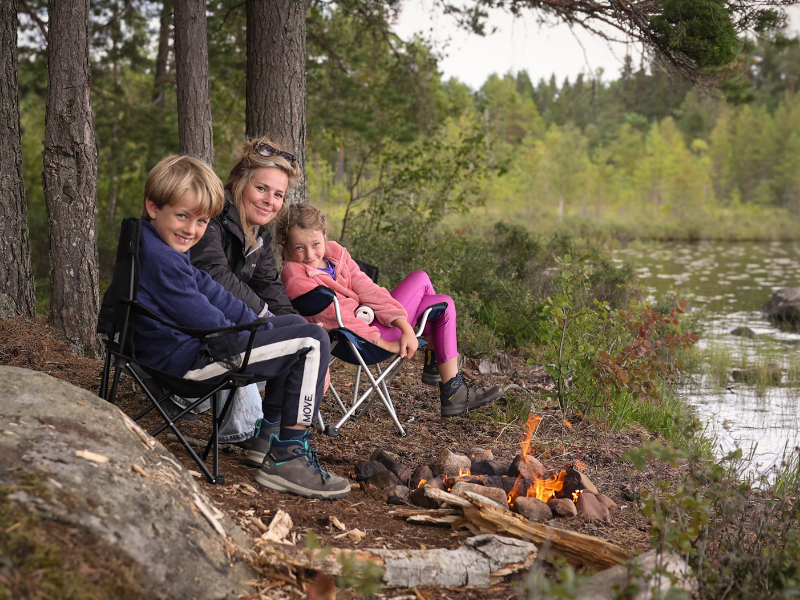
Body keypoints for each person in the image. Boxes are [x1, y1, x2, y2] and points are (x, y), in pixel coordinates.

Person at [133, 155, 349, 500]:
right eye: (183, 217)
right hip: (189, 362)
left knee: (293, 326)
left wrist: (268, 328)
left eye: (201, 221)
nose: (191, 229)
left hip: (190, 350)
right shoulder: (164, 260)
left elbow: (210, 290)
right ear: (154, 207)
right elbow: (204, 316)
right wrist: (257, 336)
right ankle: (289, 457)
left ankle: (268, 439)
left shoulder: (158, 245)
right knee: (312, 340)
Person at [275, 203, 504, 417]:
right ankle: (448, 382)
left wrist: (403, 326)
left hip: (372, 325)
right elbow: (340, 320)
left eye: (316, 244)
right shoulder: (297, 278)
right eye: (299, 248)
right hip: (358, 342)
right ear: (285, 246)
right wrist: (388, 344)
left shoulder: (335, 254)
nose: (310, 255)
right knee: (426, 285)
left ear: (325, 235)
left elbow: (368, 289)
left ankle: (448, 383)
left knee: (441, 300)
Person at [189, 138, 300, 466]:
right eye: (262, 189)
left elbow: (273, 290)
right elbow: (214, 275)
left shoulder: (258, 235)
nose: (270, 201)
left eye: (278, 194)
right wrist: (267, 317)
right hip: (191, 334)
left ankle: (270, 434)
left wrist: (306, 338)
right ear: (238, 183)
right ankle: (262, 434)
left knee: (297, 337)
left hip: (220, 329)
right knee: (275, 332)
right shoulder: (211, 217)